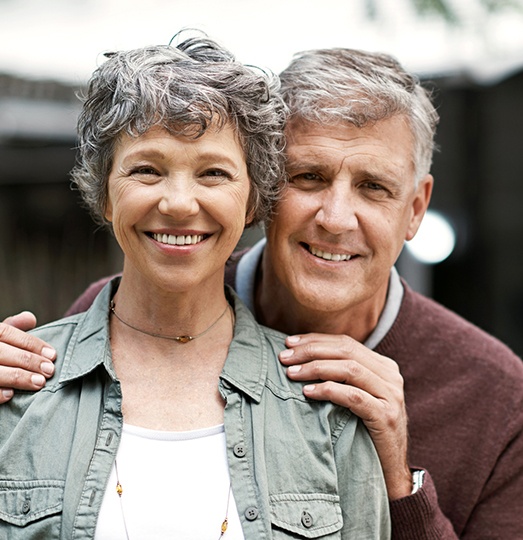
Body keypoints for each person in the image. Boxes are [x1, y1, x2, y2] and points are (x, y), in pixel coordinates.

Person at [2, 45, 523, 539]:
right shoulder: (129, 314)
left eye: (373, 187)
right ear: (266, 190)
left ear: (414, 209)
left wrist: (400, 486)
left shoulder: (500, 398)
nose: (336, 219)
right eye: (309, 177)